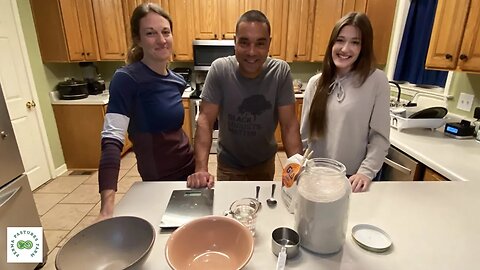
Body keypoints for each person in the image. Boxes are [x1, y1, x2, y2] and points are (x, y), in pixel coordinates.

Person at [97, 3, 196, 220]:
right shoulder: (126, 80)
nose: (161, 40)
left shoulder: (176, 81)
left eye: (165, 32)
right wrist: (106, 208)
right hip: (157, 181)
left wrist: (199, 168)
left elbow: (173, 130)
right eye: (150, 33)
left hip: (190, 170)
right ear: (138, 39)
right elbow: (112, 140)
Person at [187, 10, 302, 188]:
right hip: (229, 166)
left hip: (264, 164)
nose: (251, 52)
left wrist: (297, 166)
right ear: (235, 42)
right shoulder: (220, 70)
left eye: (260, 44)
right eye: (244, 42)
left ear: (269, 44)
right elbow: (205, 120)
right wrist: (201, 168)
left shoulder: (280, 72)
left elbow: (289, 126)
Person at [300, 12, 390, 192]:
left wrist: (366, 172)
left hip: (353, 178)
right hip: (317, 175)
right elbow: (305, 135)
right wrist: (302, 167)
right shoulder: (315, 83)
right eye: (340, 40)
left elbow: (379, 137)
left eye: (355, 42)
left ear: (363, 47)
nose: (345, 48)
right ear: (332, 43)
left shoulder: (377, 81)